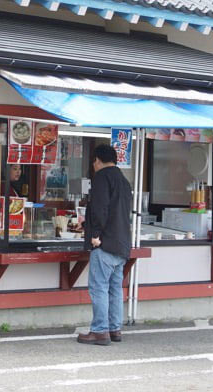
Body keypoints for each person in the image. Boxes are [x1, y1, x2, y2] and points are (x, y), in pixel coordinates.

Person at [77, 144, 133, 346]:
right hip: (121, 243)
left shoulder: (101, 177)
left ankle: (100, 331)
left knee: (99, 287)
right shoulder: (124, 181)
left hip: (105, 243)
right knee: (115, 288)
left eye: (94, 161)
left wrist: (95, 234)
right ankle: (114, 329)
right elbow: (117, 211)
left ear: (97, 160)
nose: (93, 165)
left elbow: (101, 208)